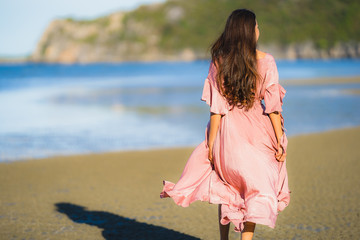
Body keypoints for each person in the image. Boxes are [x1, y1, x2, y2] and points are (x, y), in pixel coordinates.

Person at [160, 8, 291, 240]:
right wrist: (280, 140)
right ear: (249, 32)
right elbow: (272, 108)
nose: (259, 30)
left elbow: (216, 110)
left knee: (228, 188)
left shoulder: (219, 61)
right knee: (257, 191)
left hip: (226, 138)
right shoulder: (267, 61)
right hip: (257, 136)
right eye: (256, 26)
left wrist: (211, 144)